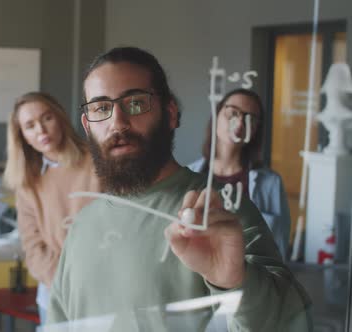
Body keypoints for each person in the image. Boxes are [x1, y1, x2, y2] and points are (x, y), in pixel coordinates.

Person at [47, 47, 311, 330]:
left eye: (135, 103)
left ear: (170, 113)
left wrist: (234, 282)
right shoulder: (83, 225)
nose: (118, 123)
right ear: (87, 126)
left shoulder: (220, 212)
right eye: (101, 108)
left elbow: (286, 322)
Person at [3, 92, 100, 323]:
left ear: (60, 118)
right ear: (23, 137)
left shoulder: (99, 161)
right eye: (30, 126)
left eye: (46, 118)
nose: (41, 131)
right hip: (55, 291)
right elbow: (33, 244)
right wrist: (64, 283)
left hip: (103, 283)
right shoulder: (27, 181)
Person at [188, 88, 291, 259]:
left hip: (250, 279)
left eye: (250, 118)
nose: (240, 123)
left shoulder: (270, 183)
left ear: (256, 130)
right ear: (217, 116)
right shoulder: (189, 174)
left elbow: (279, 248)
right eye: (233, 113)